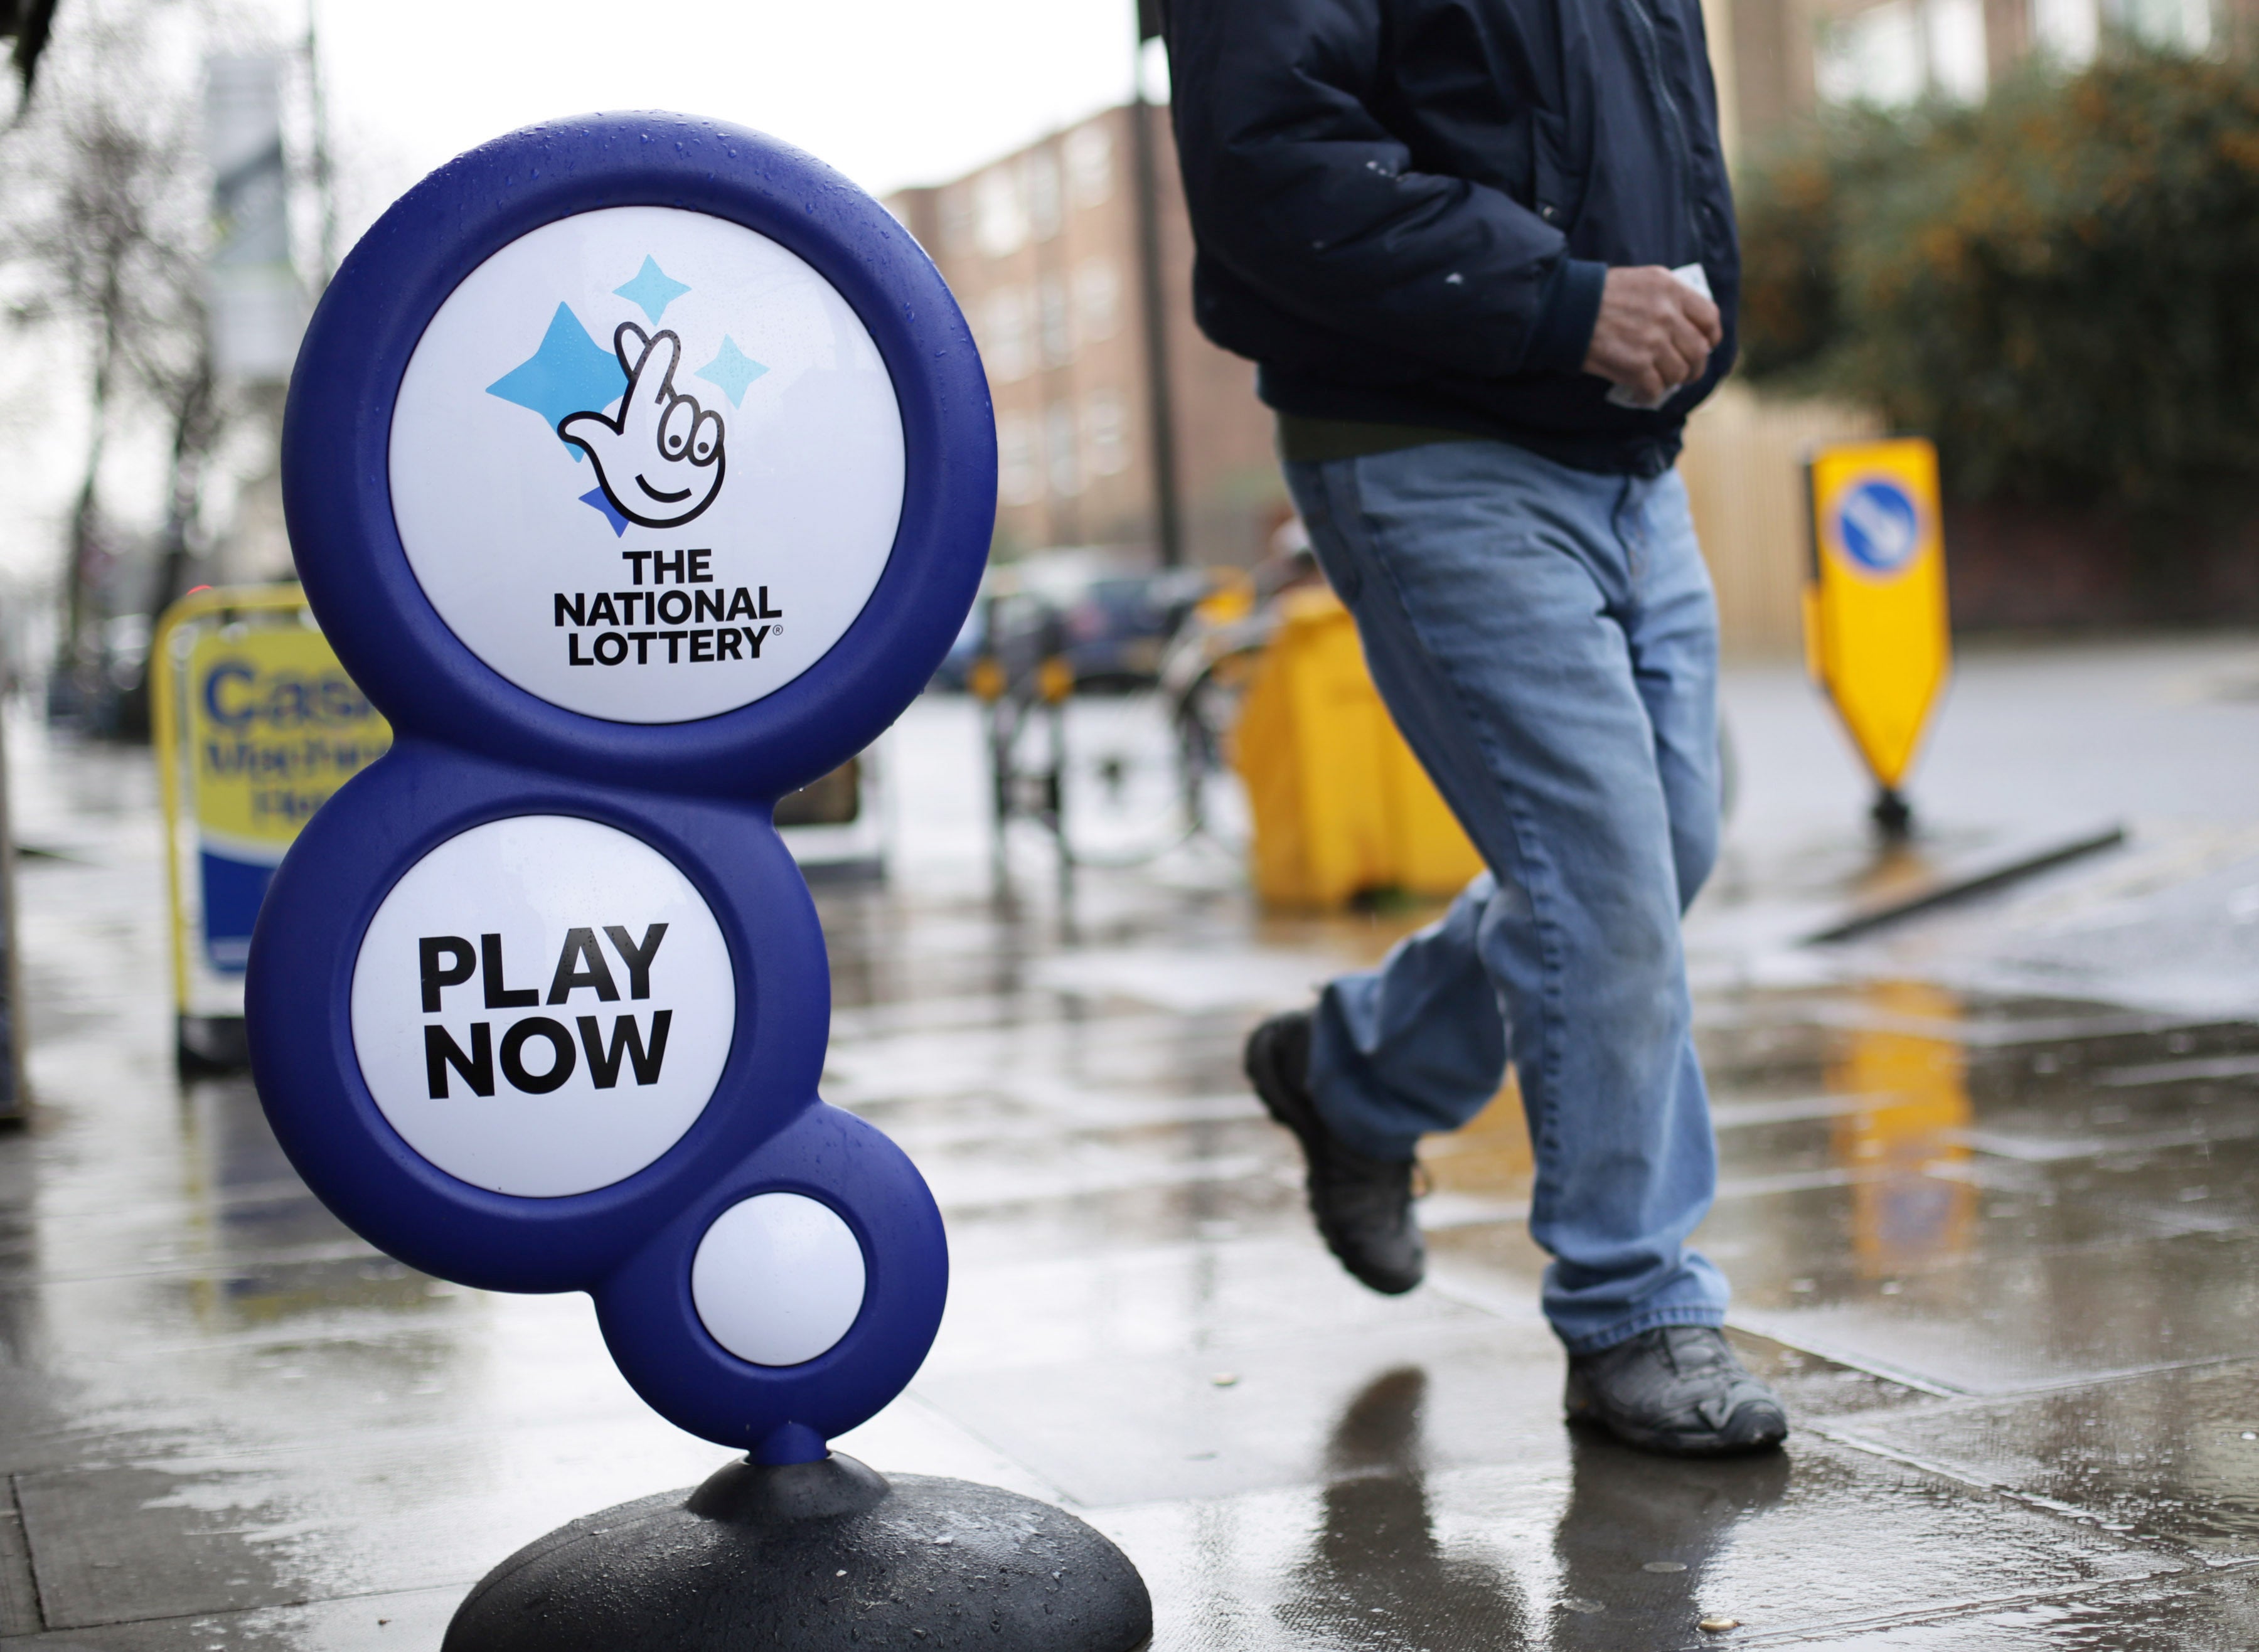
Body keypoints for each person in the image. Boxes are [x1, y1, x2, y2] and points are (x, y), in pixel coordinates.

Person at [1159, 0, 1789, 1455]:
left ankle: (1355, 1074)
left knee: (1669, 844)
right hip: (1429, 445)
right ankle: (1635, 1306)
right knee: (1604, 877)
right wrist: (1571, 304)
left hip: (1627, 447)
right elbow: (1269, 159)